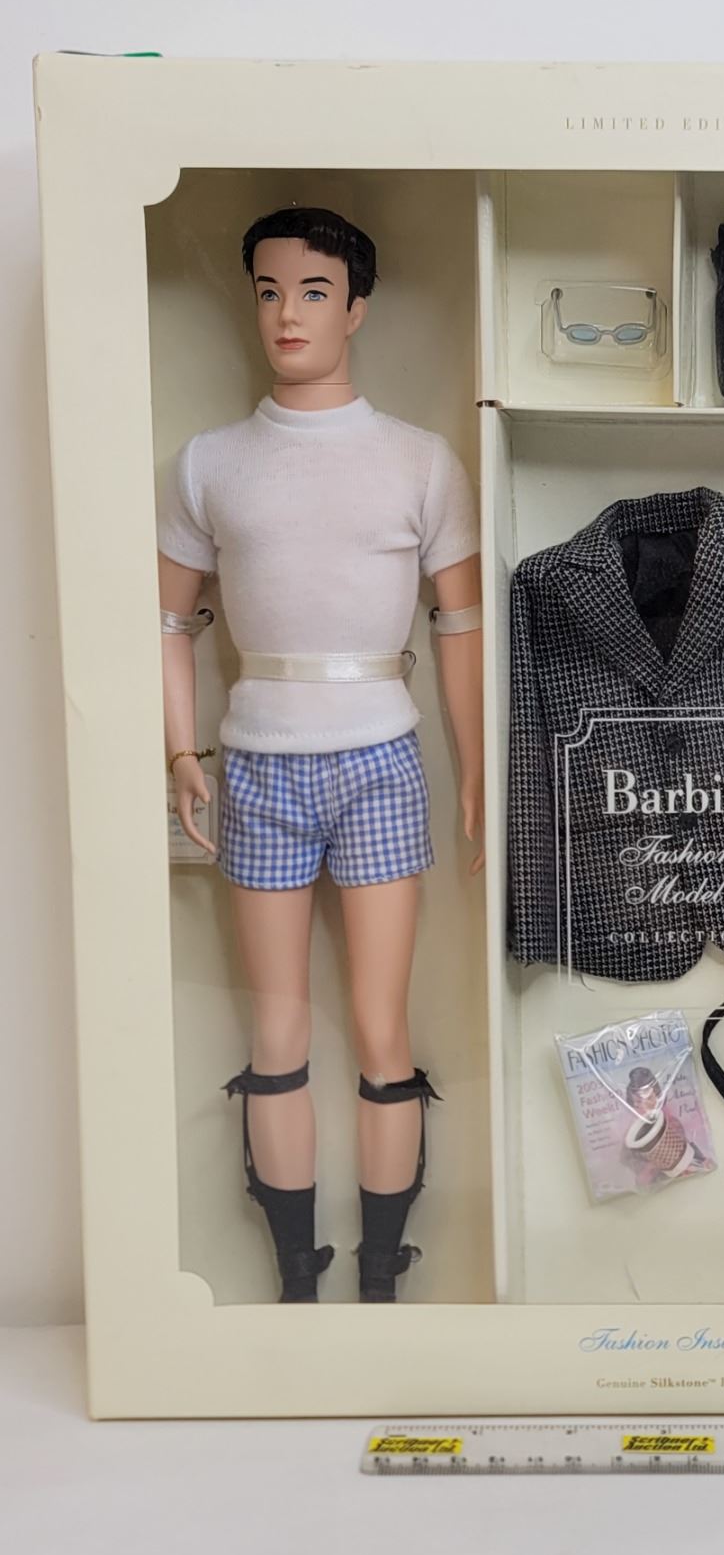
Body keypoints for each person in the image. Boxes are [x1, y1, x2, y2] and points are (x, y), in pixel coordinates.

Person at [157, 206, 483, 1302]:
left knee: (383, 1029)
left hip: (381, 754)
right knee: (278, 1026)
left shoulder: (420, 461)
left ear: (357, 308)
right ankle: (296, 1276)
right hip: (256, 759)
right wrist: (179, 748)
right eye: (267, 291)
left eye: (311, 291)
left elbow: (460, 627)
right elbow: (167, 623)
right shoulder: (209, 464)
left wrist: (475, 766)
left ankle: (380, 1275)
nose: (286, 314)